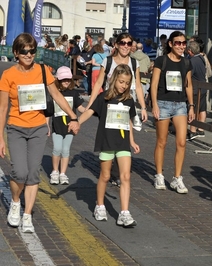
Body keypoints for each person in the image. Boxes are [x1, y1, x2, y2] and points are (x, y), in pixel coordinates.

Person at [0, 33, 80, 233]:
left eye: (32, 50)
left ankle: (27, 215)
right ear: (16, 53)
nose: (29, 54)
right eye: (24, 51)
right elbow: (2, 108)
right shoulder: (8, 75)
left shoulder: (44, 70)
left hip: (37, 128)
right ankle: (16, 201)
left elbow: (56, 95)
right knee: (20, 171)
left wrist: (73, 116)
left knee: (33, 173)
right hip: (16, 128)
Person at [78, 64, 140, 227]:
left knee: (125, 176)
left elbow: (129, 122)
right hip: (107, 141)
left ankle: (124, 213)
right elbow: (90, 111)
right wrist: (77, 122)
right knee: (105, 176)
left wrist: (132, 140)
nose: (123, 86)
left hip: (123, 143)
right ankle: (100, 206)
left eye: (127, 83)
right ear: (114, 80)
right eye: (121, 82)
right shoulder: (104, 97)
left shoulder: (129, 100)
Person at [150, 30, 195, 193]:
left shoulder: (187, 63)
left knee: (182, 142)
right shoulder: (161, 61)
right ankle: (159, 175)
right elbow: (154, 84)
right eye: (178, 43)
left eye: (184, 43)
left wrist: (191, 106)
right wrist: (154, 104)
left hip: (180, 105)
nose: (181, 46)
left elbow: (188, 85)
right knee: (162, 141)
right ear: (170, 44)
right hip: (163, 103)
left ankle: (177, 178)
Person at [88, 32, 148, 127]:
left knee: (124, 136)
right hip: (109, 102)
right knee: (107, 134)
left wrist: (143, 108)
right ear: (116, 45)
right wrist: (90, 104)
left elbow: (138, 86)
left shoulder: (134, 63)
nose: (125, 46)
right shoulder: (108, 61)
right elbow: (98, 83)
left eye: (128, 43)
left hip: (126, 103)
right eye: (122, 43)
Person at [49, 66, 86, 185]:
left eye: (68, 79)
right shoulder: (54, 93)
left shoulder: (74, 93)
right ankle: (55, 171)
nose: (66, 81)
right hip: (57, 126)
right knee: (57, 148)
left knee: (65, 150)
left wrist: (92, 110)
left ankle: (63, 173)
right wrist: (46, 126)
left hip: (70, 127)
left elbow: (80, 108)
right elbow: (48, 112)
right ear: (58, 80)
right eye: (63, 79)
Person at [186, 41, 207, 140]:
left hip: (195, 88)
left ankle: (192, 131)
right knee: (202, 108)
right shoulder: (202, 58)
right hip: (203, 87)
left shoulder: (192, 61)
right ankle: (201, 129)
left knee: (193, 108)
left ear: (190, 51)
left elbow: (189, 75)